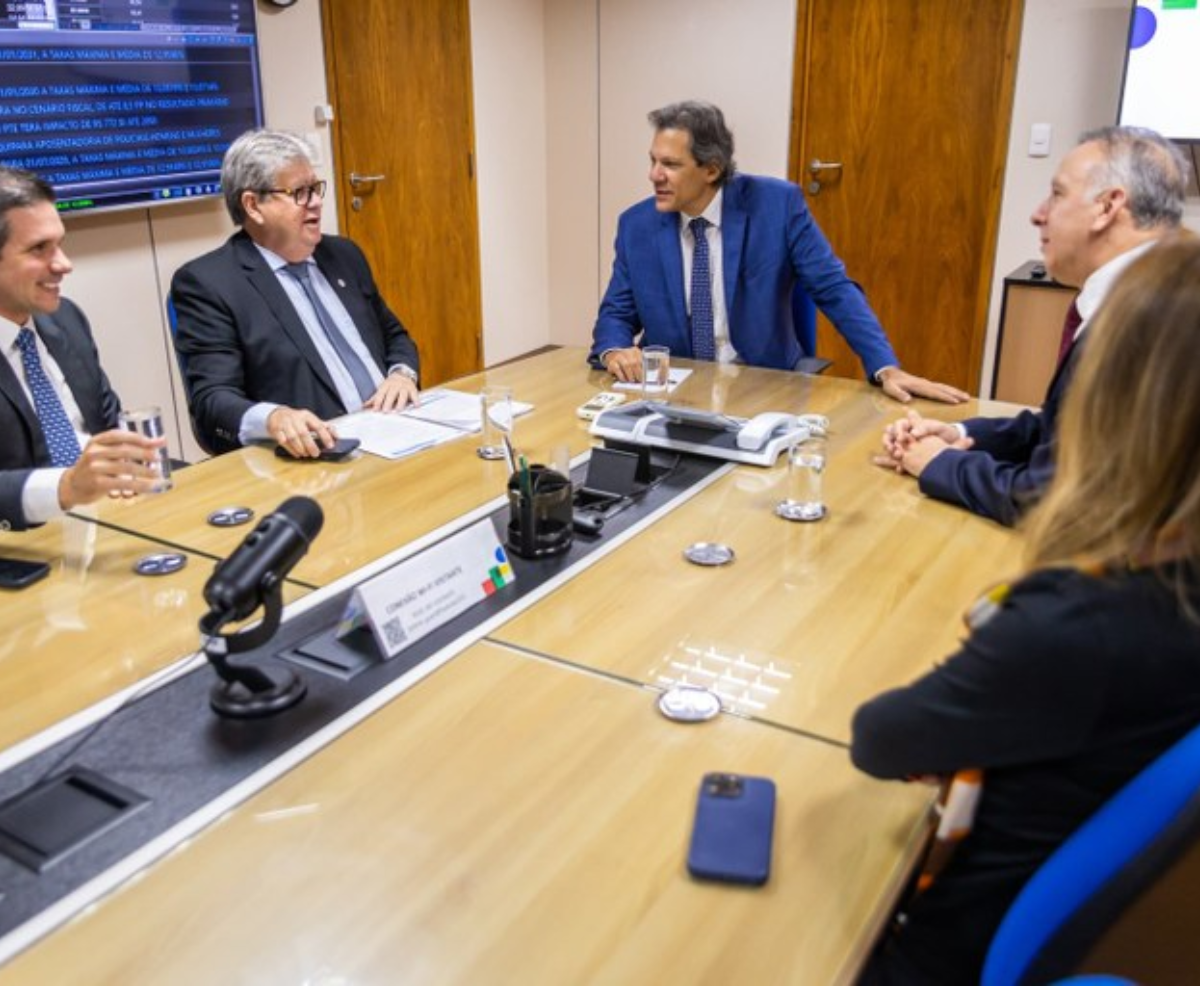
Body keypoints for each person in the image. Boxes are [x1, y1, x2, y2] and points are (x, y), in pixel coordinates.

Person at [851, 237, 1200, 985]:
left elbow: (880, 738)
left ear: (1116, 401)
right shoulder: (1175, 584)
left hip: (942, 941)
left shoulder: (1082, 621)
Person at [877, 126, 1188, 525]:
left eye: (1057, 195)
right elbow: (1064, 429)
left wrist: (941, 464)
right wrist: (959, 435)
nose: (1038, 214)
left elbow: (1053, 500)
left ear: (1108, 206)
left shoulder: (1145, 320)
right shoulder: (1156, 289)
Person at [589, 100, 967, 405]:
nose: (654, 175)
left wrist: (885, 367)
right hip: (675, 395)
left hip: (763, 387)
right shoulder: (636, 225)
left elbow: (834, 288)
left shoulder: (777, 205)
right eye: (653, 161)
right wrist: (614, 351)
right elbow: (616, 312)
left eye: (670, 164)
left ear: (711, 170)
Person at [171, 129, 420, 457]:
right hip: (323, 458)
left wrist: (402, 374)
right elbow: (212, 400)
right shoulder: (209, 284)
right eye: (300, 193)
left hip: (402, 432)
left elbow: (394, 335)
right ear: (253, 206)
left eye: (315, 189)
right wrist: (274, 418)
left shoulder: (344, 255)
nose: (316, 201)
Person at [0, 167, 164, 532]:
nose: (64, 264)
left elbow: (108, 425)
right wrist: (67, 487)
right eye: (39, 249)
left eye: (59, 244)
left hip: (111, 518)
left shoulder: (66, 320)